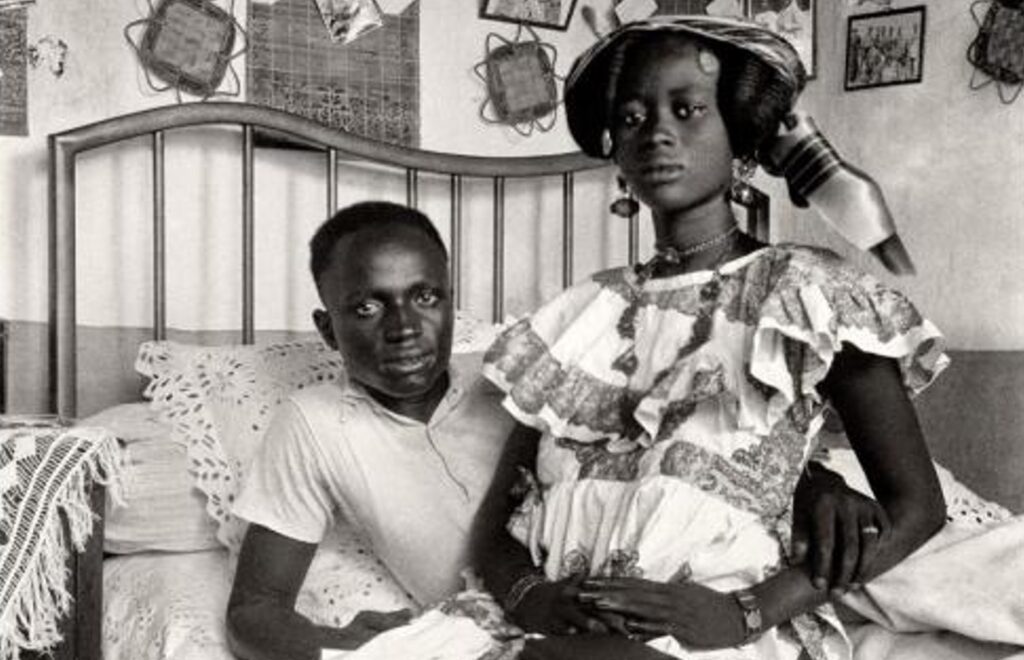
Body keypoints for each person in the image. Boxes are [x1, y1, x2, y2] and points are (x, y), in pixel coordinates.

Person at [471, 15, 947, 660]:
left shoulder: (806, 291)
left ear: (741, 141)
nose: (658, 133)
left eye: (688, 109)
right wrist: (532, 598)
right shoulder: (581, 314)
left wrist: (747, 612)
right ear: (616, 154)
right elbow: (493, 528)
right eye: (633, 119)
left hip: (713, 634)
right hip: (555, 628)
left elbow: (916, 508)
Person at [224, 200, 888, 660]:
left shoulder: (527, 373)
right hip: (528, 622)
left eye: (424, 297)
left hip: (663, 581)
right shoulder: (312, 425)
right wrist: (344, 648)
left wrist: (812, 481)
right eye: (366, 307)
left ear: (450, 296)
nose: (402, 330)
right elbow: (254, 609)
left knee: (902, 566)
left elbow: (683, 441)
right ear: (324, 328)